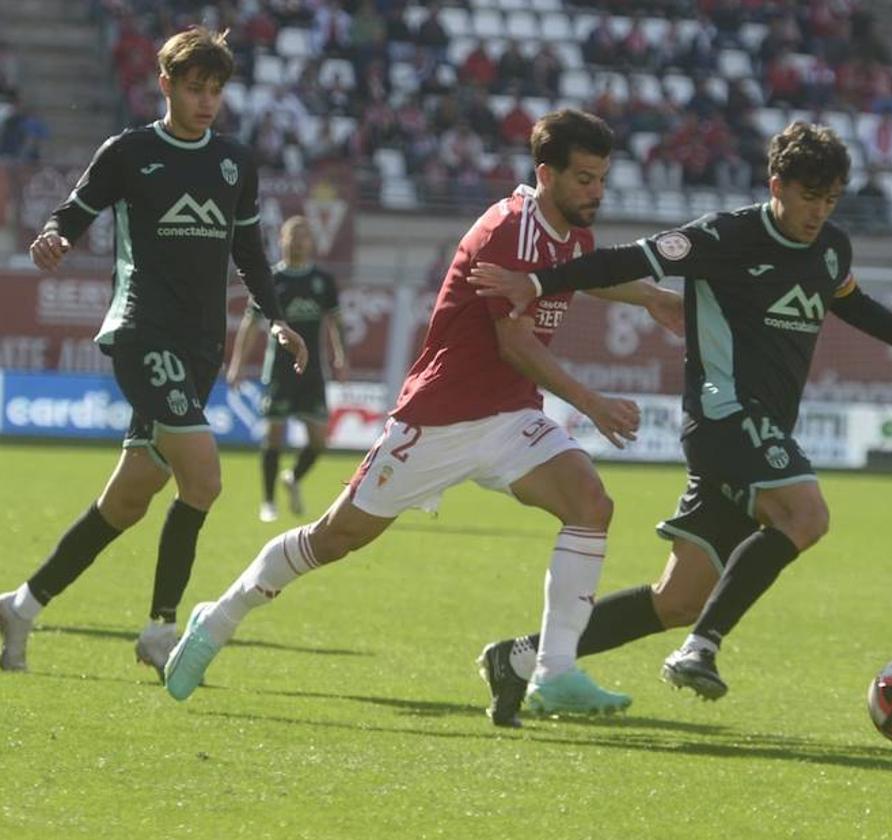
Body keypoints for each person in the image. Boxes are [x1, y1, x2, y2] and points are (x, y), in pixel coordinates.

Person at [163, 110, 685, 717]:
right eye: (585, 180)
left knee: (590, 504)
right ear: (546, 174)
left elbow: (575, 278)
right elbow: (514, 343)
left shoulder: (568, 229)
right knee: (335, 538)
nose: (596, 193)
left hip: (510, 415)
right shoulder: (505, 231)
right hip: (439, 418)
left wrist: (647, 294)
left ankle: (555, 670)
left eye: (601, 180)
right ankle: (220, 616)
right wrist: (593, 404)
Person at [469, 121, 892, 706]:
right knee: (806, 515)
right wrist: (536, 283)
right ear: (776, 186)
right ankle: (702, 648)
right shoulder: (725, 236)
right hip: (724, 415)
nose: (817, 212)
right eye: (808, 198)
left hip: (761, 429)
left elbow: (852, 303)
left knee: (677, 599)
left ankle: (518, 658)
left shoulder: (832, 247)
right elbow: (624, 260)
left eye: (830, 200)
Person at [0, 27, 307, 677]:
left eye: (216, 90)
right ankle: (161, 629)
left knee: (128, 499)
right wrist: (54, 238)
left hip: (200, 349)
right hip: (143, 334)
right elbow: (73, 215)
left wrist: (276, 319)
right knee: (205, 479)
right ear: (165, 84)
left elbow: (249, 251)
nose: (207, 102)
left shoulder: (234, 162)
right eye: (195, 88)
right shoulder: (129, 153)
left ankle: (20, 606)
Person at [227, 215, 348, 522]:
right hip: (279, 370)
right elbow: (251, 324)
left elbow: (335, 321)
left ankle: (292, 478)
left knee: (319, 441)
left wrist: (341, 357)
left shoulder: (323, 280)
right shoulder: (271, 280)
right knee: (273, 436)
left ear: (311, 242)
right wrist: (238, 364)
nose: (298, 241)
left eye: (304, 235)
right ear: (281, 240)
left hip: (313, 371)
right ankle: (268, 502)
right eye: (292, 235)